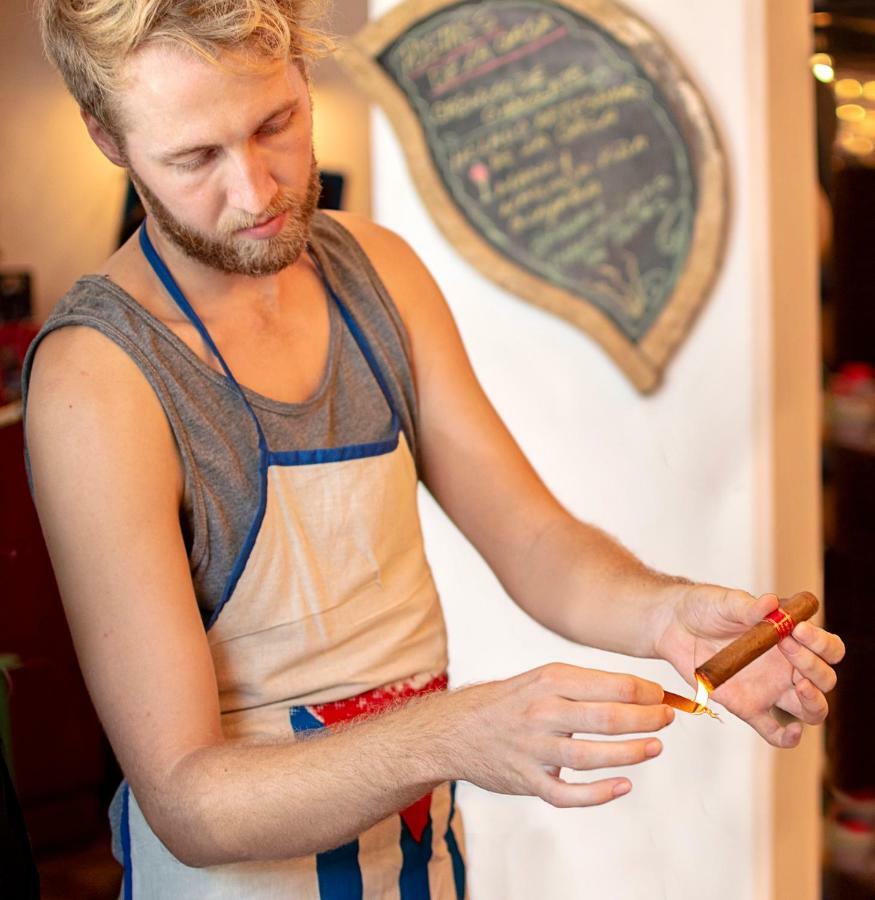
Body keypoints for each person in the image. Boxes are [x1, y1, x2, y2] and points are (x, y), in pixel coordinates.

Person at [24, 1, 844, 897]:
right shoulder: (96, 380)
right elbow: (189, 801)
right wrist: (456, 733)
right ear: (107, 137)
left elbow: (532, 540)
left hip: (419, 863)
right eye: (194, 158)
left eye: (276, 124)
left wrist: (664, 615)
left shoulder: (377, 274)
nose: (256, 191)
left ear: (303, 71)